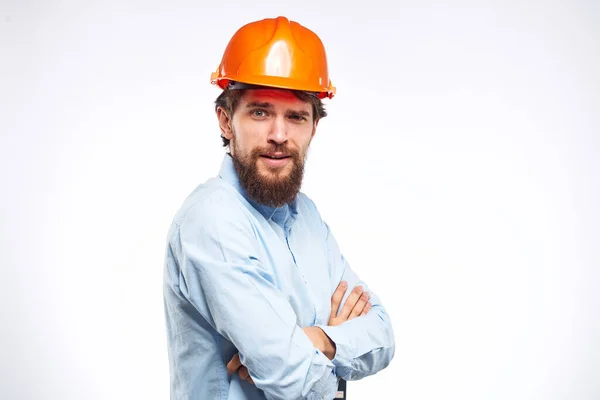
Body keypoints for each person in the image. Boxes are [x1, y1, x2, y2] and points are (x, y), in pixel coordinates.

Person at [163, 16, 395, 399]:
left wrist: (316, 340)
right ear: (225, 121)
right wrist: (336, 351)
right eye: (260, 112)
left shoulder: (307, 218)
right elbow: (296, 381)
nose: (279, 135)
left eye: (296, 116)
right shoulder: (211, 221)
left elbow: (383, 336)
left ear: (313, 129)